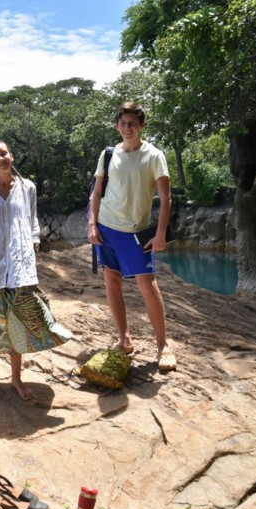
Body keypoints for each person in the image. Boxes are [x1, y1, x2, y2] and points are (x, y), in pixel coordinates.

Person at [0, 140, 71, 399]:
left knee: (17, 324)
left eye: (4, 153)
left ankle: (16, 378)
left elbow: (32, 221)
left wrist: (32, 250)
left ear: (11, 156)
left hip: (20, 268)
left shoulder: (28, 188)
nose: (1, 158)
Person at [87, 102, 176, 371]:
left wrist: (160, 233)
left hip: (136, 232)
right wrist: (93, 223)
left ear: (142, 125)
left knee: (147, 284)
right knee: (111, 280)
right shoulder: (108, 154)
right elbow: (97, 191)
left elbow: (166, 197)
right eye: (123, 123)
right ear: (117, 125)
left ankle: (163, 346)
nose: (128, 128)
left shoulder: (154, 155)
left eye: (132, 123)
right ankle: (124, 339)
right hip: (107, 227)